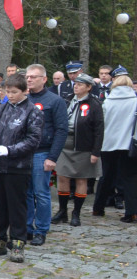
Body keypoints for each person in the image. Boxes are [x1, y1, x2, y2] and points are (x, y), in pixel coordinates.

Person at [0, 73, 43, 262]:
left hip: (18, 166)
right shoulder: (1, 109)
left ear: (25, 91)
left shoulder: (33, 111)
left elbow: (33, 140)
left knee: (17, 206)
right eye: (8, 91)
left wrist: (10, 150)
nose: (11, 95)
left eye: (14, 92)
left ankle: (17, 242)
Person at [24, 64, 68, 246]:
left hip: (42, 153)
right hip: (23, 153)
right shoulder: (23, 99)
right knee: (25, 193)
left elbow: (61, 130)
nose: (29, 79)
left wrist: (52, 157)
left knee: (41, 193)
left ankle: (41, 230)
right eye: (27, 76)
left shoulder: (54, 101)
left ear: (44, 79)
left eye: (34, 77)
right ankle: (26, 228)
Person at [52, 73, 102, 226]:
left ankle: (76, 213)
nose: (76, 86)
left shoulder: (94, 104)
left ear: (88, 88)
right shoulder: (66, 101)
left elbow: (99, 130)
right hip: (64, 144)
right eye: (76, 84)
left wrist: (96, 152)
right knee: (62, 177)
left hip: (83, 146)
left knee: (81, 179)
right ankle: (62, 211)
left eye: (81, 85)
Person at [92, 68, 137, 220]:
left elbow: (101, 124)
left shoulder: (107, 102)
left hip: (108, 144)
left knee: (106, 177)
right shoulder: (135, 101)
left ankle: (98, 208)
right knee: (130, 178)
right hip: (129, 144)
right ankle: (132, 212)